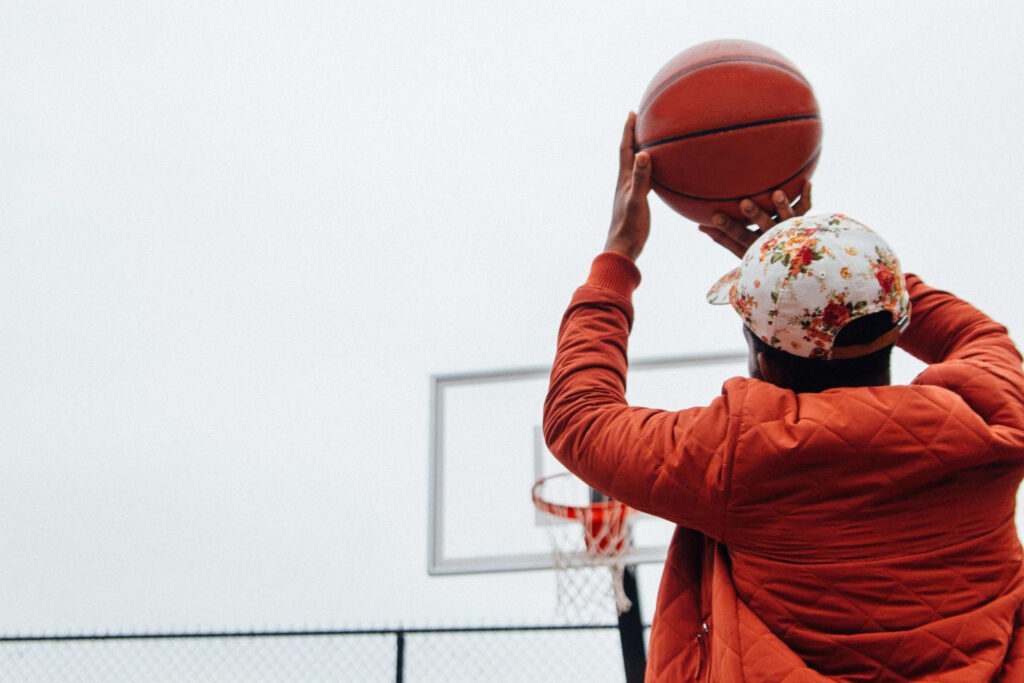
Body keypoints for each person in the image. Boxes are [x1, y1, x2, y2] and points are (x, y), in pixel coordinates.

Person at [543, 112, 1024, 681]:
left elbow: (580, 417)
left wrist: (617, 256)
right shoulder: (995, 414)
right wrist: (826, 260)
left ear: (759, 350)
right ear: (896, 323)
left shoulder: (739, 456)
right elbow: (975, 335)